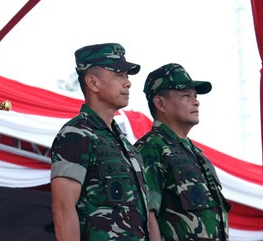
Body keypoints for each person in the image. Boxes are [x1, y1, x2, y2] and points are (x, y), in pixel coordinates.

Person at [50, 43, 151, 240]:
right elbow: (63, 208)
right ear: (93, 83)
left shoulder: (127, 146)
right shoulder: (77, 134)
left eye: (127, 75)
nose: (128, 83)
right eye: (119, 74)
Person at [135, 63, 230, 240]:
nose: (196, 101)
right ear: (160, 103)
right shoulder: (151, 148)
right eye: (186, 96)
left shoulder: (196, 153)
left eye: (195, 96)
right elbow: (147, 215)